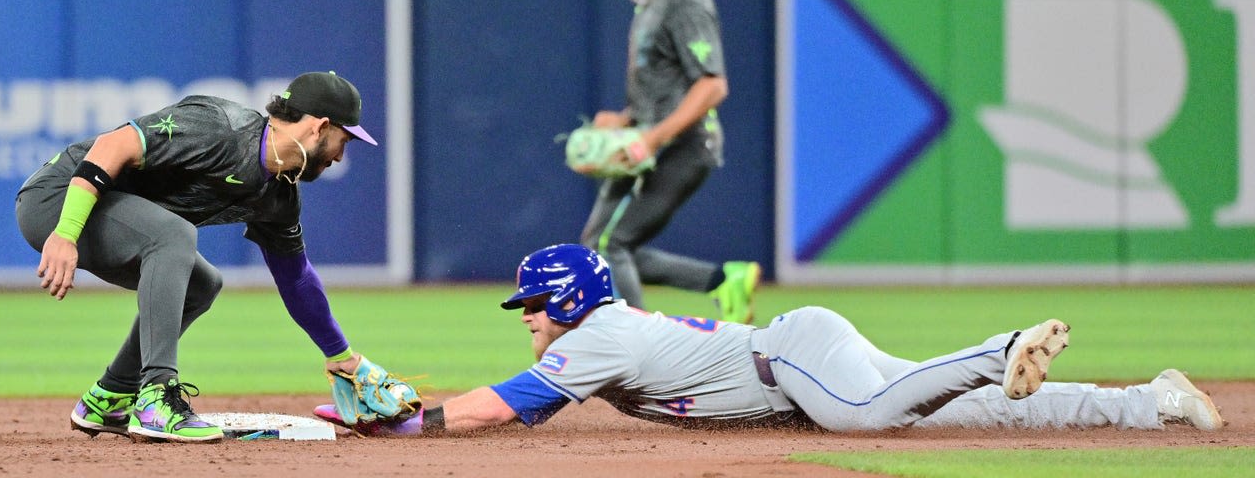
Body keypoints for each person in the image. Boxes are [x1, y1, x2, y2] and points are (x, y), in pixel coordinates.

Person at [314, 243, 1226, 435]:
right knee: (991, 414)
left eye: (532, 304)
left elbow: (499, 409)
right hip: (790, 357)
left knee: (867, 420)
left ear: (567, 300)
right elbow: (532, 409)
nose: (529, 317)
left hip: (788, 360)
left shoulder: (594, 335)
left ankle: (1002, 344)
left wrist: (411, 424)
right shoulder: (598, 332)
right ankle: (1154, 399)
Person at [16, 71, 398, 443]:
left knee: (202, 285)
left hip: (101, 214)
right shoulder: (220, 127)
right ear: (320, 126)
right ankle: (157, 398)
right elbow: (113, 145)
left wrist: (341, 356)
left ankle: (110, 397)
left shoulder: (279, 194)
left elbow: (296, 279)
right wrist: (66, 233)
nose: (340, 155)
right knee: (173, 235)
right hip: (57, 199)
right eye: (343, 140)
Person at [578, 0, 760, 325]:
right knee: (598, 246)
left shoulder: (686, 3)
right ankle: (721, 279)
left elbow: (713, 85)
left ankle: (638, 354)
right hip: (651, 138)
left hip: (683, 144)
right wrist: (626, 120)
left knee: (610, 245)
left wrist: (651, 137)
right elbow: (666, 83)